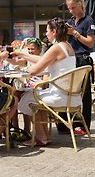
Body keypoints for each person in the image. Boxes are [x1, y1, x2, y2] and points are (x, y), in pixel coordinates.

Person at [16, 17, 77, 146]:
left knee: (28, 98)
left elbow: (35, 70)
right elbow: (42, 59)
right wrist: (22, 55)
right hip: (71, 94)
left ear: (54, 32)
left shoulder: (56, 48)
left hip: (60, 95)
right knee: (36, 96)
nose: (46, 34)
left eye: (47, 31)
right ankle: (45, 136)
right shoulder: (66, 46)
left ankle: (41, 136)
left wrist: (23, 69)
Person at [63, 0, 95, 135]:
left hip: (82, 59)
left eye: (73, 8)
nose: (71, 11)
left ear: (80, 5)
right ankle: (68, 125)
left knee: (84, 94)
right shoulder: (70, 21)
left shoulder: (88, 20)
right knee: (69, 92)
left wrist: (74, 33)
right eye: (69, 8)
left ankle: (84, 126)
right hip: (70, 59)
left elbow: (90, 42)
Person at [7, 37, 43, 134]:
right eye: (29, 49)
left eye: (32, 49)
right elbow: (15, 62)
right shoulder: (28, 60)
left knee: (16, 95)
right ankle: (15, 127)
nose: (30, 51)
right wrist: (7, 56)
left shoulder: (42, 59)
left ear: (39, 50)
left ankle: (25, 129)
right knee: (13, 95)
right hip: (28, 85)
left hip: (37, 87)